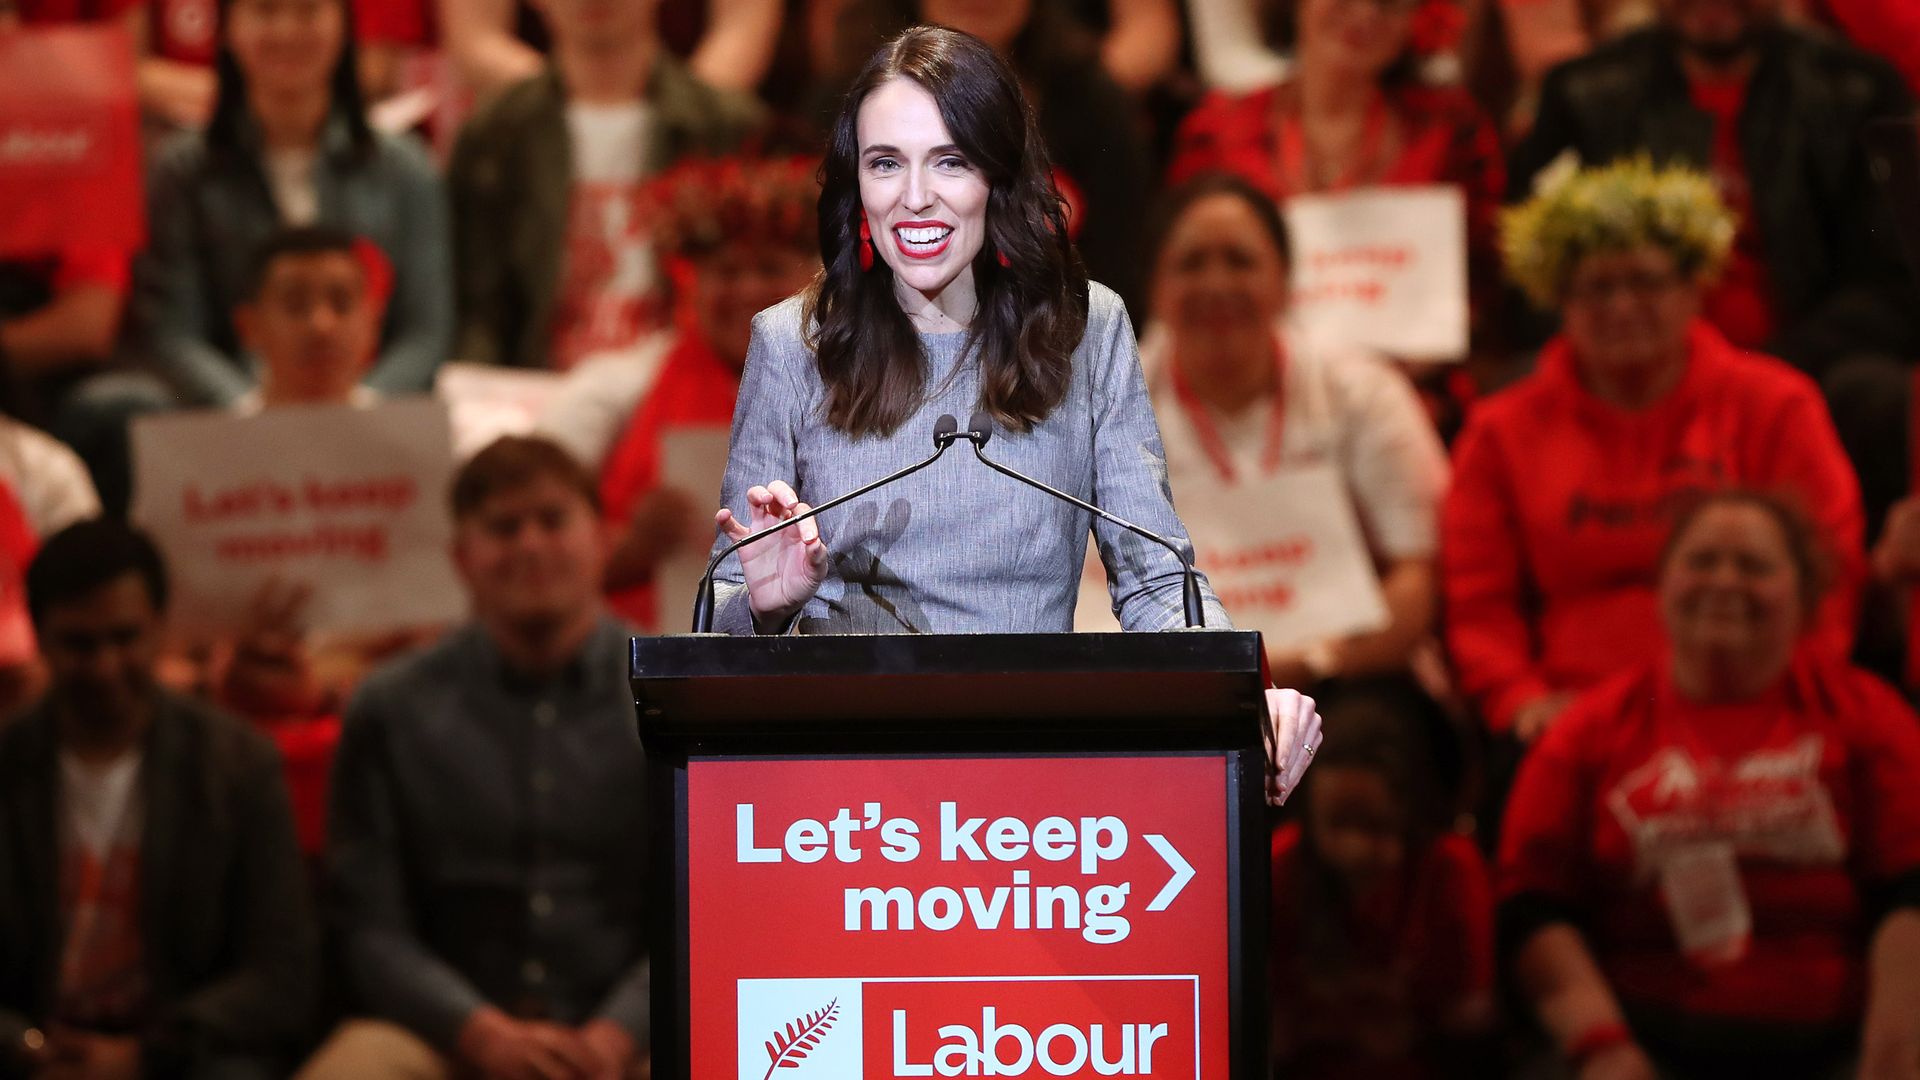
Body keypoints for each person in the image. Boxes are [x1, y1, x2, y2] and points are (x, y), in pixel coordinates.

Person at [706, 26, 1321, 800]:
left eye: (951, 161)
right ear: (855, 182)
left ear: (1000, 173)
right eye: (885, 163)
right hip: (842, 790)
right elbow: (720, 614)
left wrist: (1245, 700)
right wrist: (769, 605)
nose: (915, 197)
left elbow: (1159, 582)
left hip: (1026, 790)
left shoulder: (1084, 329)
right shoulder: (790, 343)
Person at [1498, 490, 1920, 1078]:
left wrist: (1896, 1049)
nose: (1725, 581)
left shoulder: (1867, 715)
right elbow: (1535, 907)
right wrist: (1603, 1045)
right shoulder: (1588, 730)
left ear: (1805, 594)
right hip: (1642, 1040)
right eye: (1701, 561)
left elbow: (1911, 894)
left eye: (1754, 566)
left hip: (1835, 1044)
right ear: (1662, 585)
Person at [1444, 158, 1863, 744]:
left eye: (1645, 281)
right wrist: (1520, 700)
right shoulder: (1499, 430)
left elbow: (1830, 573)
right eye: (1596, 287)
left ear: (1695, 290)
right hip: (1567, 722)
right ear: (1559, 302)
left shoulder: (1777, 404)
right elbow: (1478, 602)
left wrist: (1794, 689)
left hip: (1752, 701)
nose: (1621, 306)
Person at [297, 436, 650, 1080]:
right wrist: (479, 1033)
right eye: (503, 527)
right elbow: (367, 926)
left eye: (552, 519)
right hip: (444, 1041)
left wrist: (615, 1036)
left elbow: (704, 909)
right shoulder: (388, 706)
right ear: (461, 557)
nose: (531, 545)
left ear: (603, 537)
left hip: (635, 1042)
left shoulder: (675, 697)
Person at [0, 519, 316, 1080]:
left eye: (125, 638)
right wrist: (25, 1045)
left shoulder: (237, 766)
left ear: (160, 630)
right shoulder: (9, 761)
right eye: (79, 643)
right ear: (41, 637)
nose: (104, 667)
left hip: (184, 1056)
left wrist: (145, 1057)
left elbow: (283, 970)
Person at [1140, 174, 1448, 686]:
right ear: (1154, 289)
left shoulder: (1365, 392)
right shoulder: (1099, 405)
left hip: (1345, 676)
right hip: (1164, 687)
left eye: (1240, 260)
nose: (1216, 284)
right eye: (1191, 264)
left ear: (1285, 280)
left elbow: (1416, 579)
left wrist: (1310, 662)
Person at [1506, 0, 1917, 382]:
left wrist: (1764, 371)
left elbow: (1893, 282)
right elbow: (1530, 273)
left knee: (1874, 387)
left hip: (1807, 373)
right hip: (1626, 373)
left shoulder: (1860, 88)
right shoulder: (1581, 91)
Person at [539, 154, 821, 633]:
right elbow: (539, 567)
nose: (749, 289)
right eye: (728, 272)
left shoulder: (867, 389)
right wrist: (633, 546)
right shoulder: (618, 390)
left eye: (770, 268)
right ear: (691, 283)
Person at [139, 0, 451, 408]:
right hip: (228, 424)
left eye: (307, 11)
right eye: (266, 12)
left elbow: (425, 330)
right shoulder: (182, 170)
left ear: (344, 26)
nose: (287, 31)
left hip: (376, 419)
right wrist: (250, 410)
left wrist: (364, 406)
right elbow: (173, 332)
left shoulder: (406, 167)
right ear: (228, 30)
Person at [1165, 0, 1506, 372]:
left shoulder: (1449, 130)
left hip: (1418, 393)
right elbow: (1183, 270)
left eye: (1389, 5)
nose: (1364, 13)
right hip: (1251, 387)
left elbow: (1484, 280)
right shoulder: (1219, 132)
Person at [446, 0, 765, 371]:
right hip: (533, 389)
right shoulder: (492, 133)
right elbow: (477, 310)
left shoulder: (727, 126)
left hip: (680, 392)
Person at [823, 0, 1156, 320]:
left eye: (953, 162)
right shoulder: (849, 94)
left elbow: (1121, 268)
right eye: (887, 163)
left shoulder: (1092, 99)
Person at [1269, 677, 1495, 1079]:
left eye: (1376, 826)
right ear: (1309, 813)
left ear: (1413, 813)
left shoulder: (1450, 869)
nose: (1355, 849)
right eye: (1339, 824)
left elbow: (1470, 1022)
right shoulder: (1281, 865)